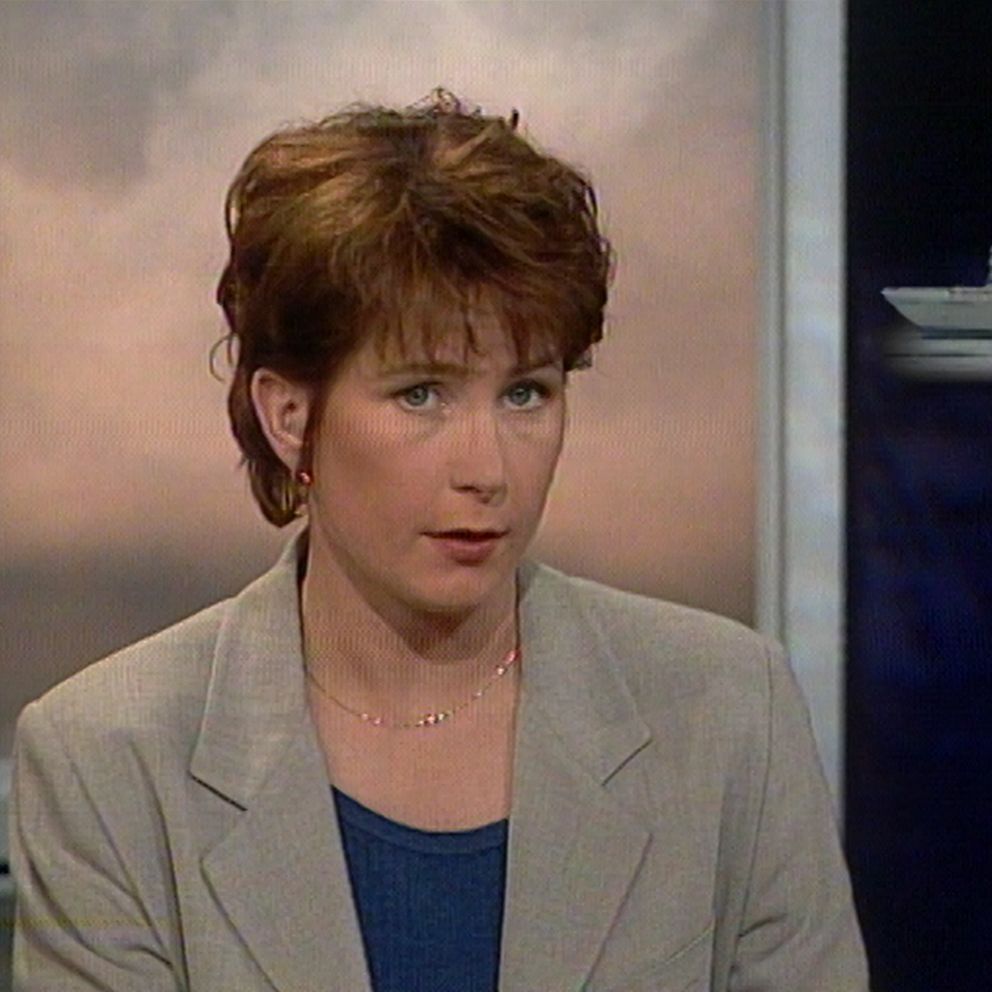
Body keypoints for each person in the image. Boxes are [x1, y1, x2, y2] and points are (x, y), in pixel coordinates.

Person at [9, 91, 869, 992]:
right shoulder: (108, 760)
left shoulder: (729, 715)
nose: (487, 469)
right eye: (421, 394)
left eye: (526, 394)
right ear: (290, 416)